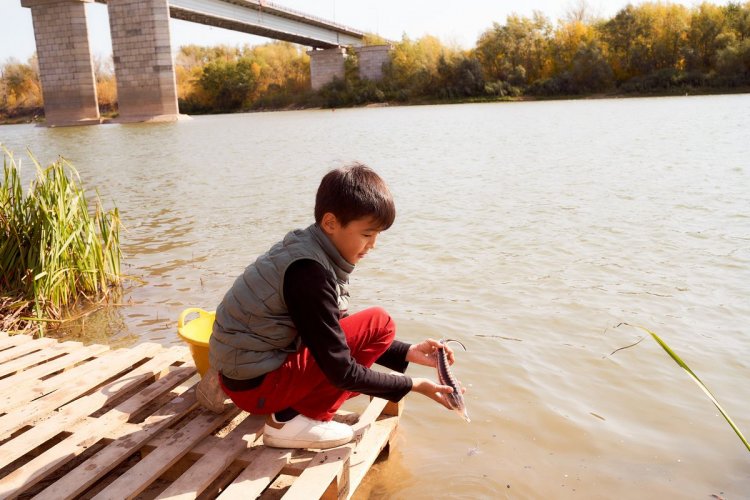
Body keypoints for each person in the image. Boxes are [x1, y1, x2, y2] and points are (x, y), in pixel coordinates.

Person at [197, 163, 459, 450]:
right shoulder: (308, 272)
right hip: (256, 390)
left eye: (377, 235)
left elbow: (331, 329)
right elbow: (341, 371)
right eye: (367, 234)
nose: (373, 245)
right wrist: (413, 385)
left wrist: (409, 352)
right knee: (380, 322)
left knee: (373, 327)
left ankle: (290, 411)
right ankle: (289, 421)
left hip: (240, 376)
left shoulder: (307, 248)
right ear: (331, 223)